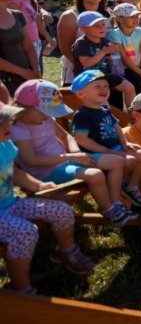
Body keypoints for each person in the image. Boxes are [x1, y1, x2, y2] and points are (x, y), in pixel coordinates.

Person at [0, 103, 94, 293]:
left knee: (61, 210)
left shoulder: (5, 144)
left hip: (9, 203)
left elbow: (15, 173)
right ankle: (21, 289)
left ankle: (66, 251)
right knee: (26, 231)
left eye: (9, 119)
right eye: (3, 123)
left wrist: (39, 185)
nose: (10, 124)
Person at [13, 80, 130, 224]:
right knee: (95, 175)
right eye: (46, 112)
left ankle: (115, 202)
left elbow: (65, 136)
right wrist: (71, 157)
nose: (48, 116)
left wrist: (75, 152)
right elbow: (31, 160)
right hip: (46, 172)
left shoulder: (47, 120)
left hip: (66, 161)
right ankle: (108, 210)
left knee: (117, 161)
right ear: (25, 108)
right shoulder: (19, 130)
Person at [71, 70, 141, 210]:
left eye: (106, 86)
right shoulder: (82, 115)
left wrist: (124, 142)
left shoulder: (104, 109)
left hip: (114, 147)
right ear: (81, 94)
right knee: (129, 160)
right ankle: (114, 198)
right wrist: (107, 151)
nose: (104, 89)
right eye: (97, 86)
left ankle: (131, 186)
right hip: (96, 153)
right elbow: (82, 140)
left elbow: (116, 126)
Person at [72, 10, 135, 109]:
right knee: (102, 101)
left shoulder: (104, 41)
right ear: (83, 28)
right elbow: (86, 63)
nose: (102, 28)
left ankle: (132, 114)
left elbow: (108, 59)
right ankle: (105, 115)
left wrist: (113, 56)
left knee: (129, 88)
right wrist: (104, 51)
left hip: (104, 74)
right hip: (88, 77)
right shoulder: (81, 43)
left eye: (103, 24)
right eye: (96, 26)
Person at [57, 0, 111, 86]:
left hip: (107, 73)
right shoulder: (70, 16)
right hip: (80, 76)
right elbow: (66, 50)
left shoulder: (109, 15)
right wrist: (87, 69)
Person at [0, 0, 42, 94]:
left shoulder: (18, 15)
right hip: (3, 85)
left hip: (25, 79)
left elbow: (28, 47)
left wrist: (35, 70)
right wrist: (22, 72)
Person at [108, 3, 141, 93]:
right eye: (131, 17)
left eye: (137, 16)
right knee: (139, 81)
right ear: (119, 18)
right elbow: (124, 58)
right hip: (124, 69)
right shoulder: (114, 34)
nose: (136, 19)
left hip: (139, 67)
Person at [11, 0, 53, 64]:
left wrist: (48, 37)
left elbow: (36, 21)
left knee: (35, 69)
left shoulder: (28, 0)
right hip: (23, 44)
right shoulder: (13, 0)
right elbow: (15, 26)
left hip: (35, 41)